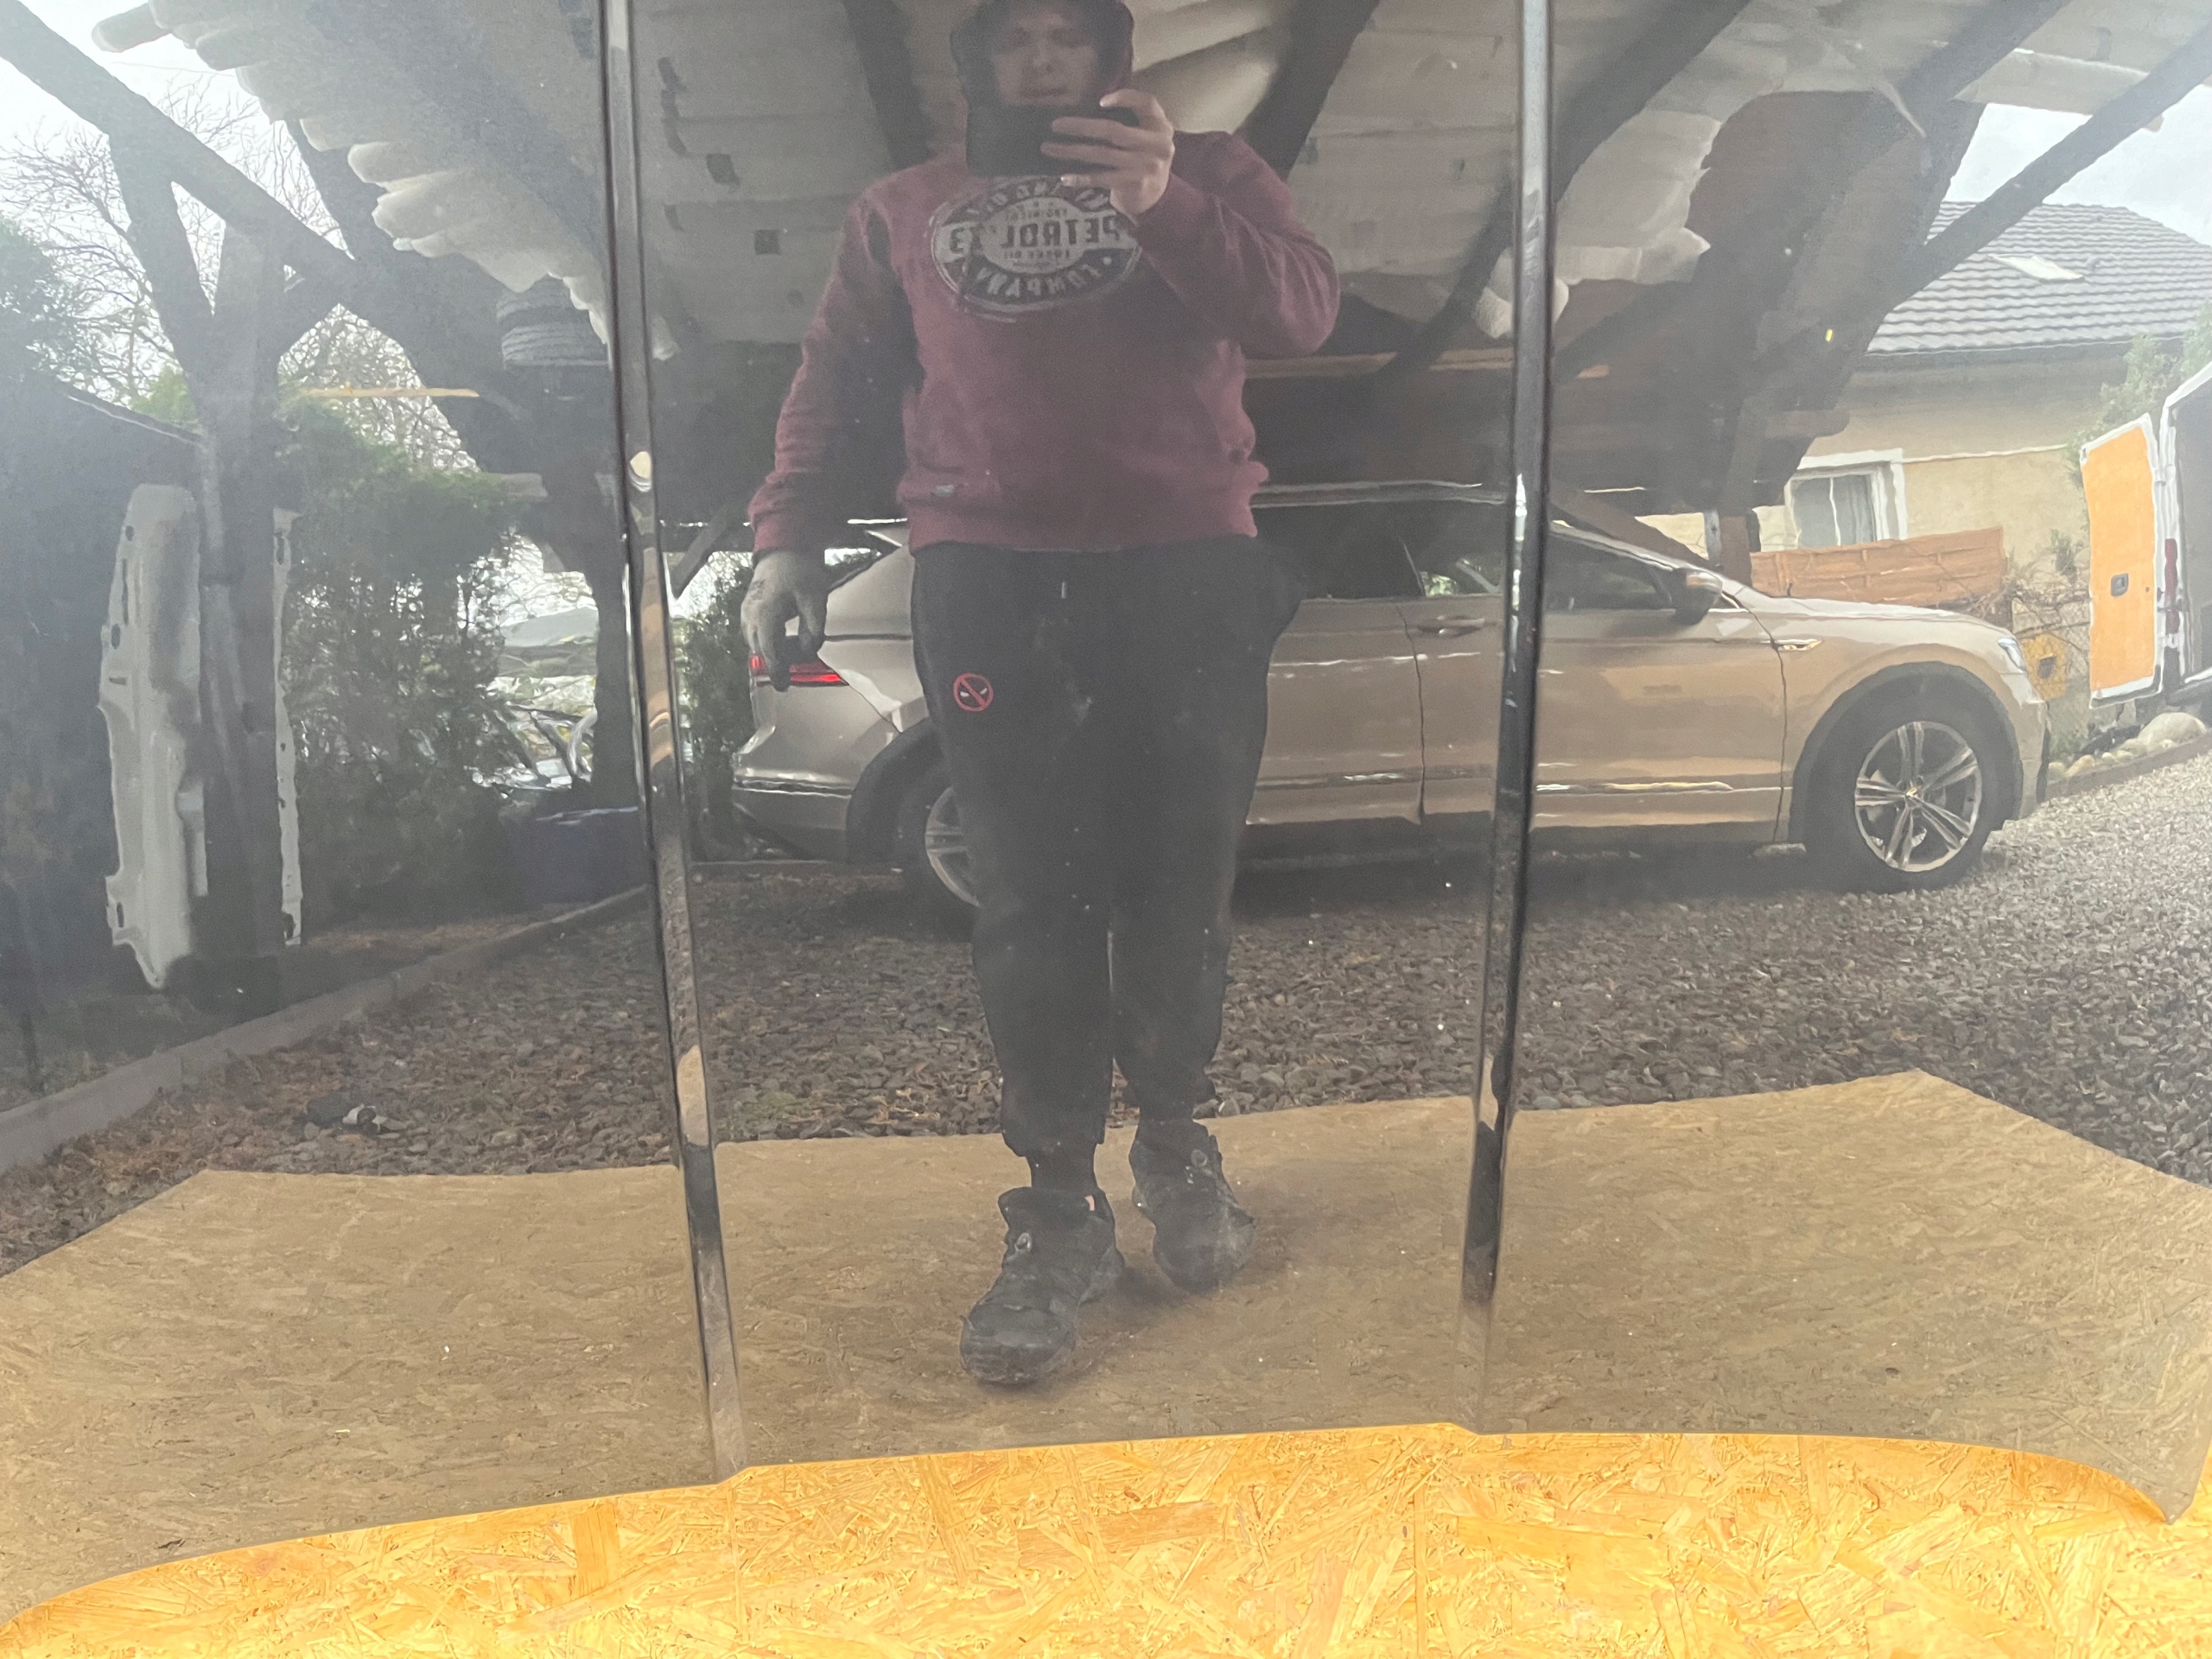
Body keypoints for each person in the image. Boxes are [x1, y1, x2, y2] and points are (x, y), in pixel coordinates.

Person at [741, 0, 1338, 1387]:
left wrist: (1164, 199)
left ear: (1114, 54)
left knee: (1181, 878)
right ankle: (1059, 1208)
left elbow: (1301, 315)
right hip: (990, 573)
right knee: (1028, 896)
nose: (1046, 59)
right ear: (979, 61)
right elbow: (834, 378)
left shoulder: (1214, 170)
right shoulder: (904, 208)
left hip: (1186, 563)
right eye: (1017, 38)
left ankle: (1177, 1147)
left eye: (1072, 34)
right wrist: (785, 539)